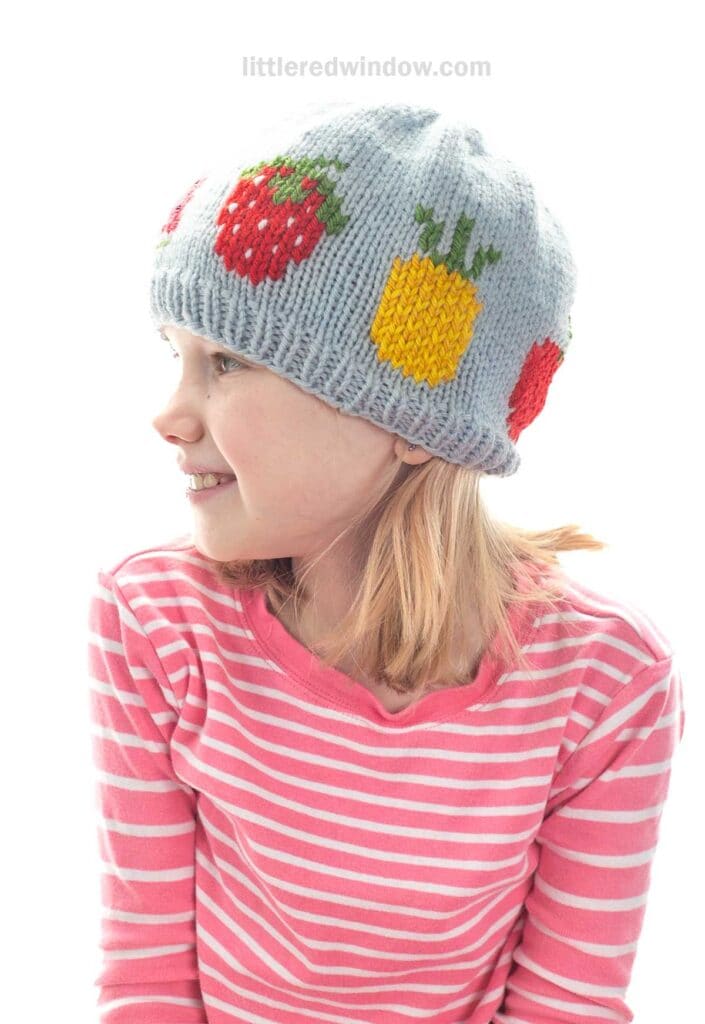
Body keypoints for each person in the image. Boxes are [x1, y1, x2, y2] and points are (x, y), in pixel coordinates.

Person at [86, 101, 686, 1024]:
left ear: (409, 420)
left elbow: (567, 1002)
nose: (168, 414)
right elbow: (147, 981)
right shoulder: (157, 619)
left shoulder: (604, 681)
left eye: (228, 362)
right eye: (177, 354)